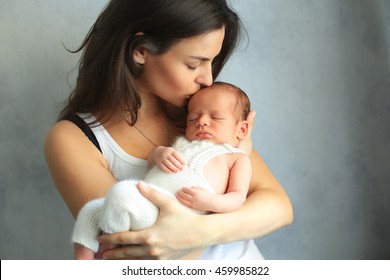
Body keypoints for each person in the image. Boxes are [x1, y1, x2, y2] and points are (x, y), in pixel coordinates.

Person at [44, 0, 293, 260]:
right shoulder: (74, 139)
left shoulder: (202, 113)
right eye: (193, 64)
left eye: (212, 62)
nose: (207, 79)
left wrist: (202, 232)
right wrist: (224, 225)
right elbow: (138, 255)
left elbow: (279, 207)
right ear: (140, 50)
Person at [72, 82, 255, 260]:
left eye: (215, 117)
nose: (201, 122)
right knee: (91, 210)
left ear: (242, 128)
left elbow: (237, 197)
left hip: (173, 218)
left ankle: (111, 244)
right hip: (149, 202)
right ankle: (84, 260)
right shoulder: (183, 141)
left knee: (122, 194)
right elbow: (152, 163)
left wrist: (211, 202)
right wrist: (158, 153)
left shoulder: (236, 157)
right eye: (193, 117)